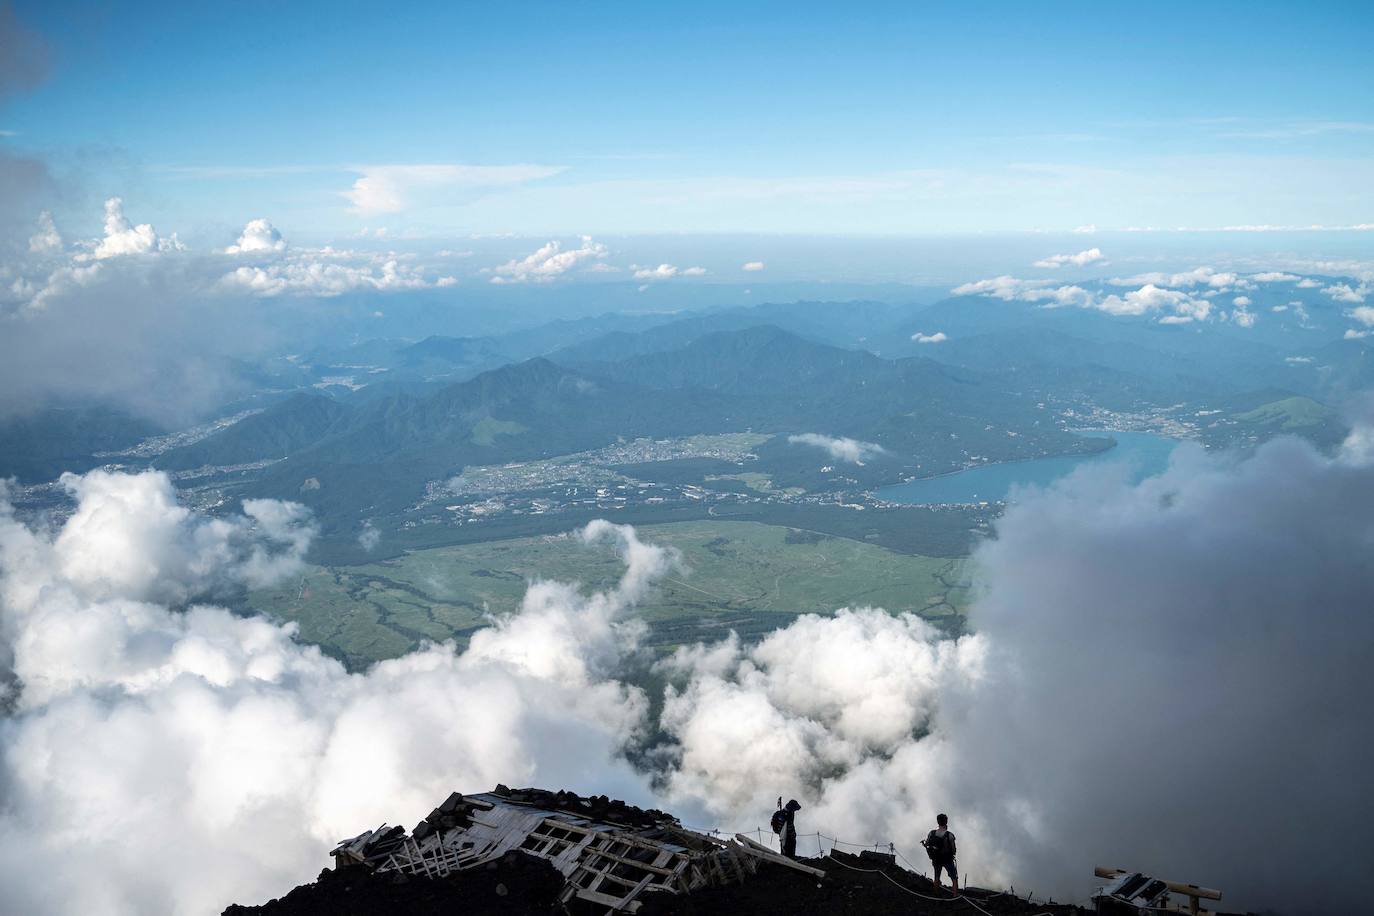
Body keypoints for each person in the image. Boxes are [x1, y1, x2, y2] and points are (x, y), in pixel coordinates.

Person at [922, 813, 959, 896]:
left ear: (938, 822)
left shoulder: (932, 833)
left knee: (937, 877)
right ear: (946, 822)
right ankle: (955, 896)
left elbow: (927, 843)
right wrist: (952, 854)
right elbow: (953, 849)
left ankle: (936, 894)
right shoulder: (949, 835)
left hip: (936, 859)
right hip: (947, 859)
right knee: (954, 878)